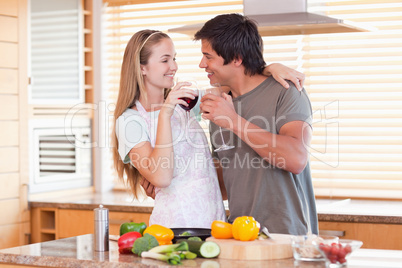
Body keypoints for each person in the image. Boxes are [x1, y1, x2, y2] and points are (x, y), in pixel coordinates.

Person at [113, 29, 307, 229]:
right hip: (175, 228)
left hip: (214, 223)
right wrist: (165, 113)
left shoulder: (186, 103)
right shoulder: (130, 122)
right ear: (142, 68)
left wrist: (270, 68)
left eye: (174, 58)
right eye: (165, 60)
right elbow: (161, 177)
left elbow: (239, 79)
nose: (174, 66)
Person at [197, 13, 318, 235]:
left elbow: (296, 158)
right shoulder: (219, 105)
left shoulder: (286, 91)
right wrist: (166, 184)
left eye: (208, 56)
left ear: (236, 58)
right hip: (241, 236)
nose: (202, 64)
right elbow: (225, 185)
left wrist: (233, 121)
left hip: (289, 237)